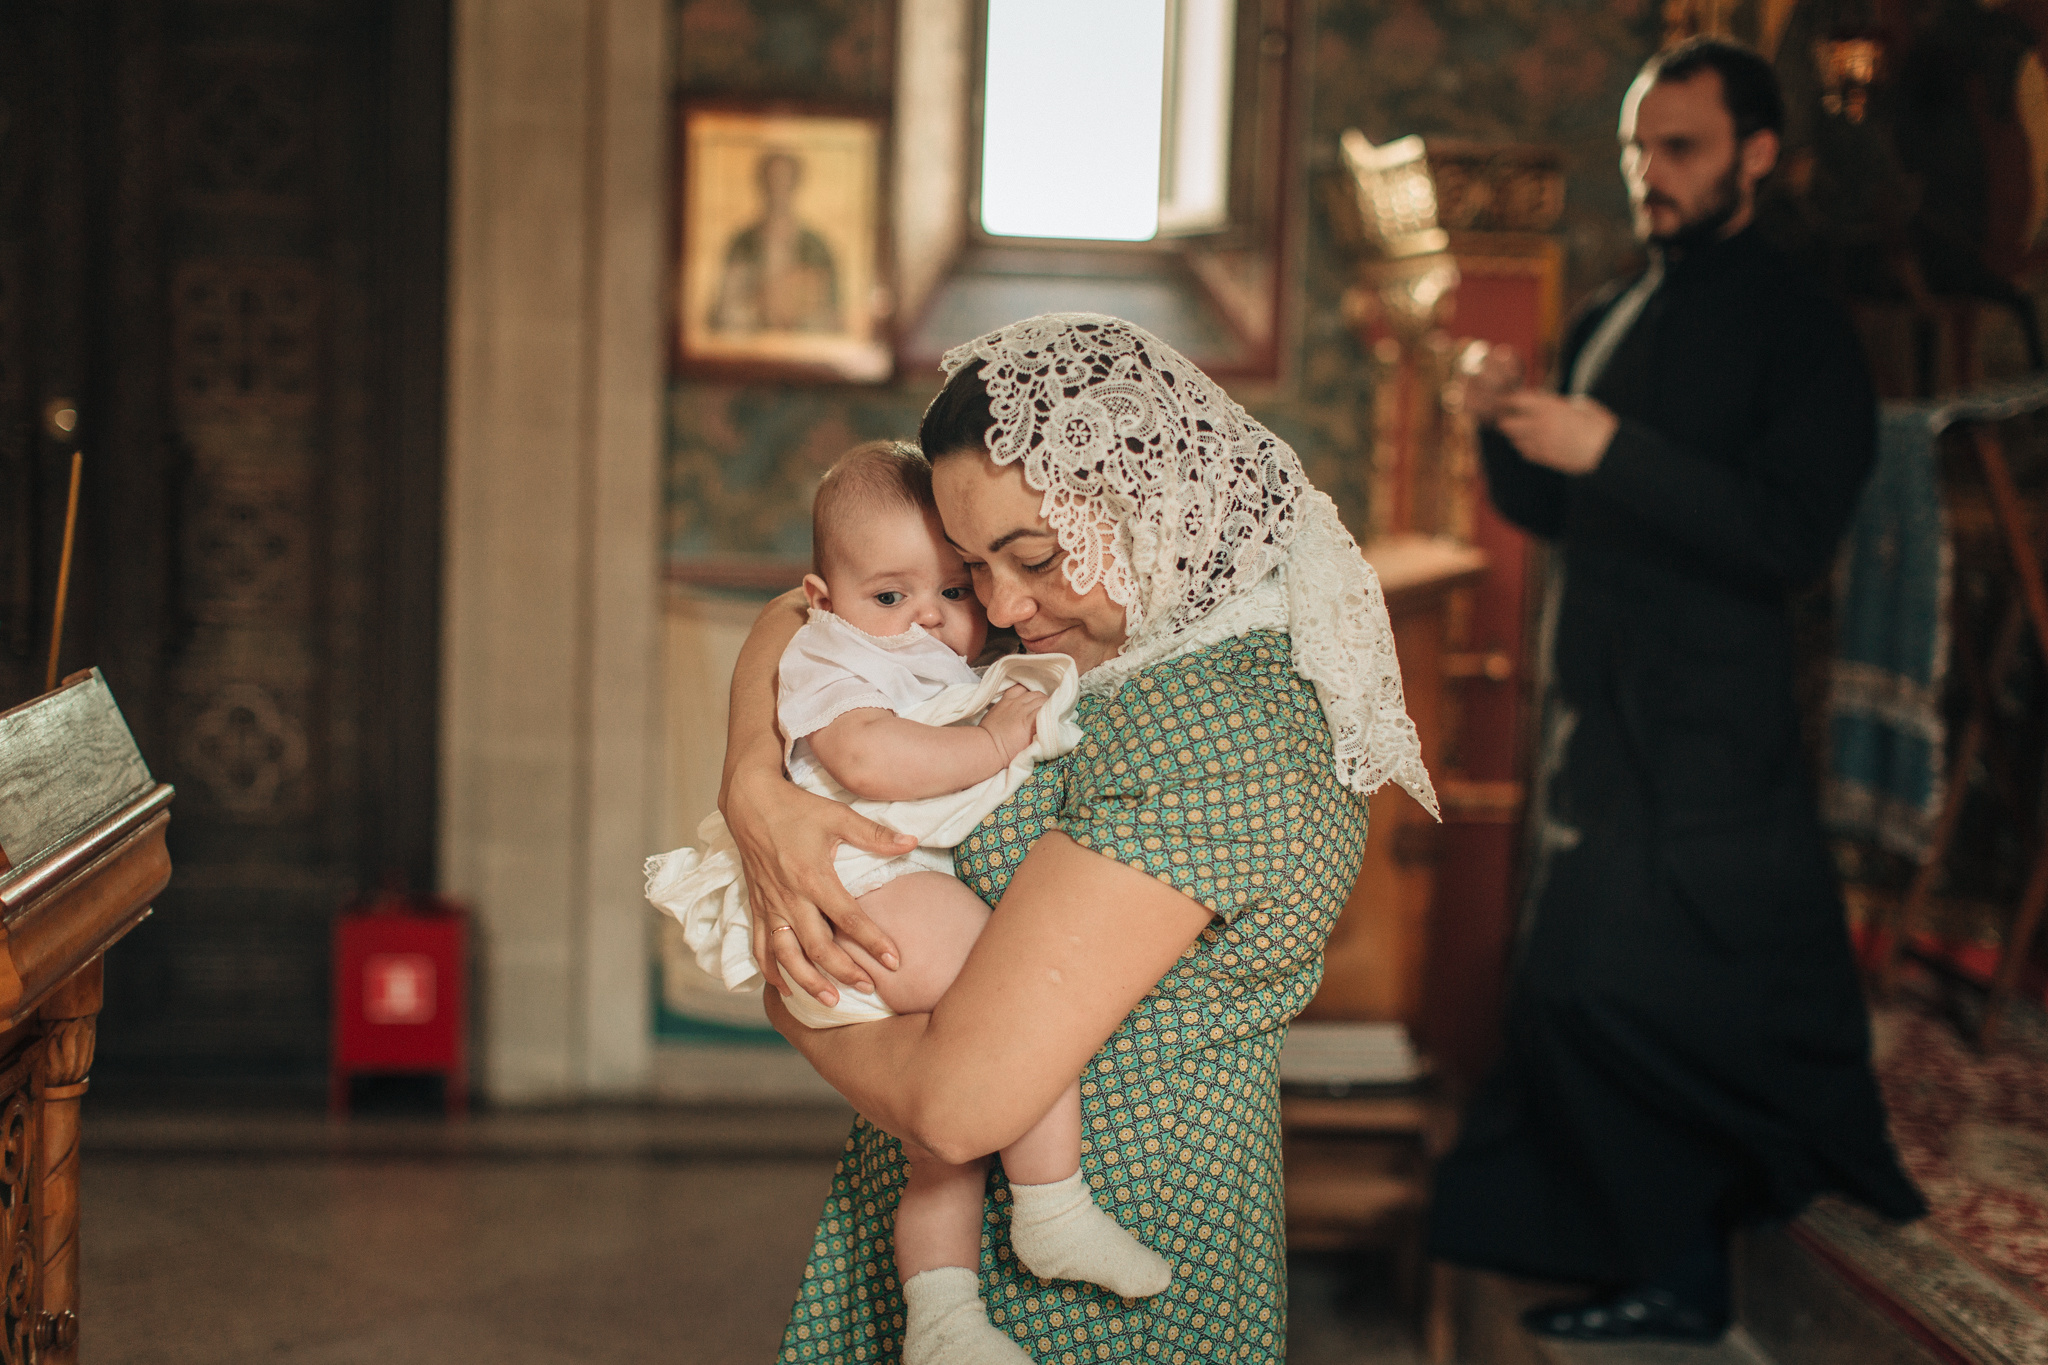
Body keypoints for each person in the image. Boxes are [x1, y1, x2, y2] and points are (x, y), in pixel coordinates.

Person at [714, 314, 1436, 1364]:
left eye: (1032, 557)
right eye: (971, 569)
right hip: (931, 1240)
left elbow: (958, 1110)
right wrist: (749, 782)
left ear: (1138, 504)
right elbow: (807, 612)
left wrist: (792, 996)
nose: (997, 605)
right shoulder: (1100, 621)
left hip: (1095, 1280)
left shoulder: (1228, 723)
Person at [1425, 37, 1925, 1343]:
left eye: (1680, 150)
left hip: (1711, 725)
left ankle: (1688, 1273)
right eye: (1639, 148)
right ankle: (1664, 1265)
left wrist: (1616, 449)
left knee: (1651, 991)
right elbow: (1556, 504)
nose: (1648, 175)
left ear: (1758, 154)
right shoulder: (1613, 309)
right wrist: (1505, 420)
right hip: (1602, 713)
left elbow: (1787, 536)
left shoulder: (1802, 328)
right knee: (1586, 988)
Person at [644, 441, 1171, 1365]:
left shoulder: (926, 641)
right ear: (827, 599)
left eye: (952, 592)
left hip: (873, 897)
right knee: (1015, 1010)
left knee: (941, 1158)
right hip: (869, 887)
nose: (930, 616)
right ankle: (1052, 1204)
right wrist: (996, 742)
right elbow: (868, 759)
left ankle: (941, 1316)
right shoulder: (837, 656)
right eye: (892, 597)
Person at [709, 150, 841, 334]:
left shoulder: (815, 247)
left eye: (785, 180)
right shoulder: (743, 244)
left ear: (795, 185)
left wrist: (799, 308)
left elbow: (833, 317)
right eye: (772, 180)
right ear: (762, 185)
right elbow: (722, 314)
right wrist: (757, 304)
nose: (778, 189)